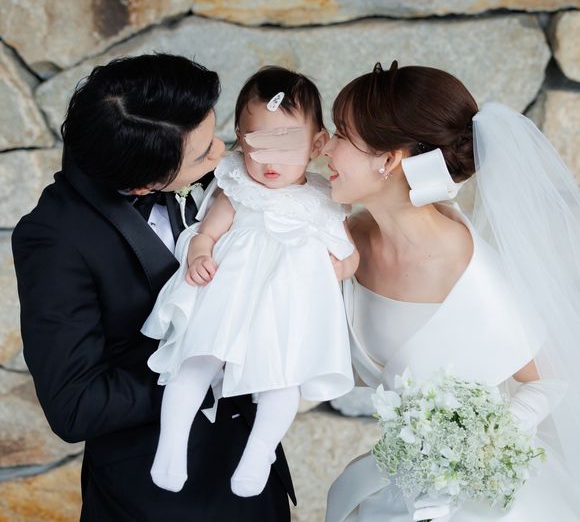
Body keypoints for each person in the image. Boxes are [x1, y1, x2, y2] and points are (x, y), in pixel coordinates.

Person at [12, 54, 295, 521]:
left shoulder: (214, 171)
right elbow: (75, 406)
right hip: (154, 500)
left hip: (255, 476)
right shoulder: (54, 237)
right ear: (145, 184)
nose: (221, 154)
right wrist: (208, 371)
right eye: (202, 156)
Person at [323, 62, 580, 521]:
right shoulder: (344, 237)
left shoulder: (466, 271)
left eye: (341, 134)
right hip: (395, 484)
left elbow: (548, 379)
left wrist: (477, 450)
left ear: (388, 160)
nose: (324, 146)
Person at [141, 66, 358, 499]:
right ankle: (172, 445)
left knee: (283, 379)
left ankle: (259, 453)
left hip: (284, 306)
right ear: (241, 140)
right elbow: (206, 233)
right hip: (230, 293)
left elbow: (349, 253)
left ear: (317, 144)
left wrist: (338, 270)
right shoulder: (239, 186)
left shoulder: (323, 199)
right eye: (257, 145)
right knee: (196, 361)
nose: (269, 162)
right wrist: (200, 255)